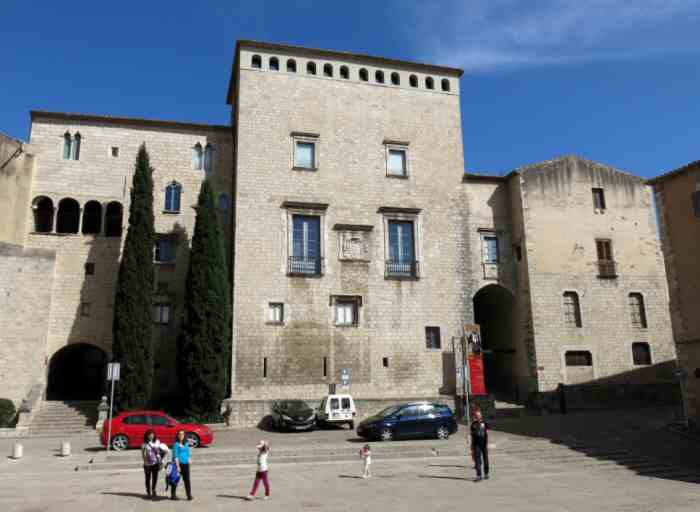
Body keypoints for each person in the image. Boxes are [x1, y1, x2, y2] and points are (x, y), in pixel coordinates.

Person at [141, 429, 169, 500]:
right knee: (147, 478)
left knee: (155, 477)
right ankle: (148, 491)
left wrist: (161, 460)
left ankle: (153, 490)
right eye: (149, 435)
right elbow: (143, 454)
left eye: (152, 434)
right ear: (147, 436)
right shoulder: (144, 444)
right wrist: (145, 462)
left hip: (156, 463)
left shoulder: (157, 442)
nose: (151, 436)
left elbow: (160, 451)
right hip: (147, 464)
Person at [172, 430, 193, 501]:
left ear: (184, 435)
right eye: (179, 434)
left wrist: (189, 459)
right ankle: (173, 495)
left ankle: (189, 495)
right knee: (176, 479)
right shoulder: (176, 444)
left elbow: (188, 453)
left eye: (182, 434)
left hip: (186, 464)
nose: (181, 436)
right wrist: (177, 466)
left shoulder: (186, 443)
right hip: (179, 465)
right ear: (177, 436)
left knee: (187, 480)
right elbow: (175, 456)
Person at [470, 410, 489, 481]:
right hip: (476, 444)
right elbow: (472, 435)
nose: (477, 416)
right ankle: (479, 475)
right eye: (476, 415)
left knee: (485, 459)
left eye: (478, 415)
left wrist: (487, 444)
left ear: (481, 416)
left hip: (483, 444)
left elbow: (487, 434)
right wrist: (472, 445)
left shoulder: (485, 423)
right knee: (477, 460)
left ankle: (486, 473)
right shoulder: (473, 424)